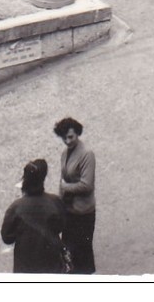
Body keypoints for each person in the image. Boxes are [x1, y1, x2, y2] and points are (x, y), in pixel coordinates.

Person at [0, 158, 66, 274]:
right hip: (51, 266)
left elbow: (7, 238)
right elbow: (61, 226)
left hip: (25, 267)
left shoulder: (15, 208)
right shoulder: (55, 202)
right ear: (43, 179)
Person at [53, 117, 97, 273]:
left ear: (77, 134)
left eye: (70, 137)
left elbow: (87, 185)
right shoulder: (65, 154)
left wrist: (66, 188)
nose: (67, 141)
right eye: (64, 138)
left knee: (83, 253)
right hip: (69, 210)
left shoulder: (87, 154)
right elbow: (62, 179)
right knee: (69, 252)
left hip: (84, 212)